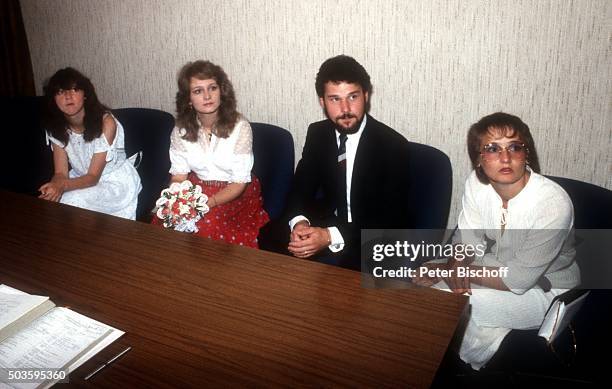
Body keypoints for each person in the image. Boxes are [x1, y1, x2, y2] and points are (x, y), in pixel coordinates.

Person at [414, 112, 580, 370]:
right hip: (495, 264)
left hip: (546, 289)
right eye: (492, 149)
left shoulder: (552, 204)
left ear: (527, 153)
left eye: (514, 147)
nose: (505, 157)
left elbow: (517, 279)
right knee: (418, 290)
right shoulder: (476, 185)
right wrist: (455, 263)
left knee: (440, 306)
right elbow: (467, 240)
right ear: (478, 160)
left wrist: (450, 270)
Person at [260, 55, 412, 270]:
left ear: (366, 96)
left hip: (372, 233)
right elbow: (300, 188)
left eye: (353, 97)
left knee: (350, 277)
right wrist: (300, 223)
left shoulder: (393, 146)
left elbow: (390, 218)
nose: (345, 109)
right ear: (322, 101)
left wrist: (329, 236)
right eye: (334, 99)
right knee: (269, 236)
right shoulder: (318, 133)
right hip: (328, 219)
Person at [158, 60, 269, 247]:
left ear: (222, 92)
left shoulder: (240, 127)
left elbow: (239, 183)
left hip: (234, 191)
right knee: (166, 221)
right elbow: (179, 176)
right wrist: (177, 201)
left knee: (206, 227)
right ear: (188, 99)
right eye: (198, 91)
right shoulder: (181, 129)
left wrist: (207, 204)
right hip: (197, 187)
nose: (207, 96)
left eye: (212, 88)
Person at [39, 68, 141, 219]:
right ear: (53, 99)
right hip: (79, 179)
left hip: (112, 181)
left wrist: (62, 186)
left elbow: (93, 177)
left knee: (71, 201)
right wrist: (54, 187)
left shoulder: (106, 123)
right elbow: (60, 173)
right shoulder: (56, 127)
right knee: (51, 201)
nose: (68, 96)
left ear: (85, 94)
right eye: (60, 92)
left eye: (74, 89)